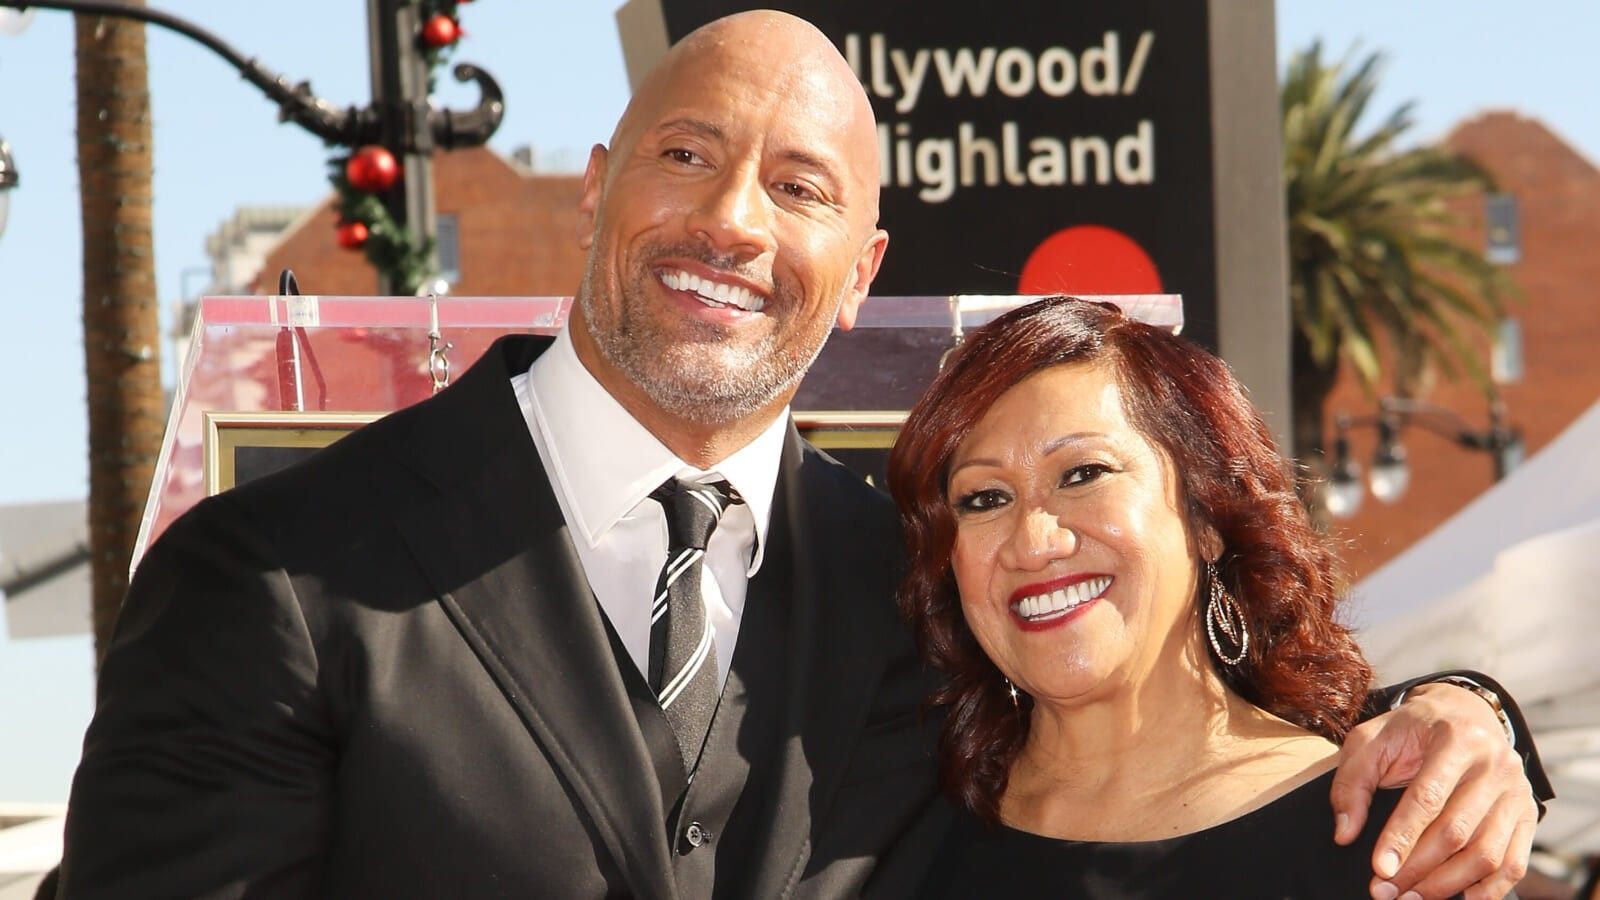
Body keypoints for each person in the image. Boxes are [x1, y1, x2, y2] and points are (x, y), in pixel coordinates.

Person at [57, 12, 1544, 900]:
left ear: (859, 271)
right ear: (595, 192)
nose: (732, 223)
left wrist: (1468, 720)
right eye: (686, 155)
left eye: (800, 186)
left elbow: (1165, 745)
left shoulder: (930, 584)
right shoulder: (276, 578)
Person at [887, 296, 1546, 899]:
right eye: (984, 499)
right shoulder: (897, 833)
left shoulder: (1392, 843)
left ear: (1207, 520)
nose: (1034, 542)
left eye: (1083, 473)